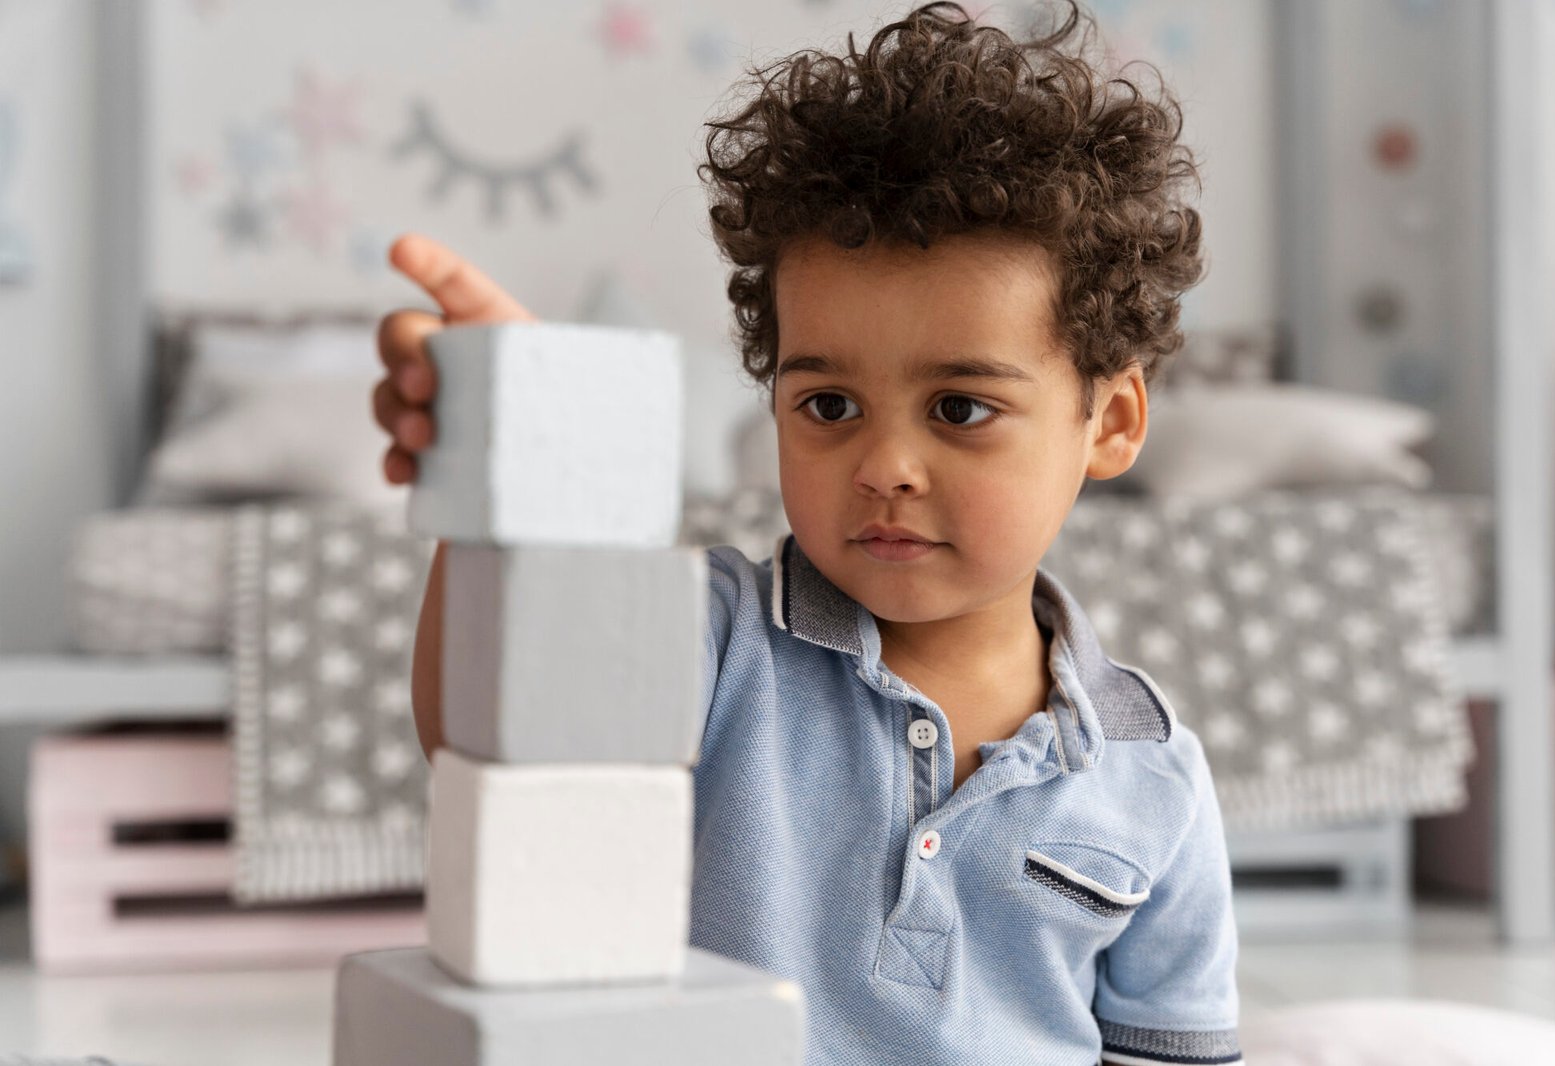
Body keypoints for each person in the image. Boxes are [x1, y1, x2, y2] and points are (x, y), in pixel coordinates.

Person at [370, 3, 1239, 1063]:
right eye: (827, 405)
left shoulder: (1150, 773)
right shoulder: (712, 637)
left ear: (1108, 421)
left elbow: (1169, 1048)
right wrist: (515, 468)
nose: (883, 467)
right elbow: (483, 730)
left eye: (960, 407)